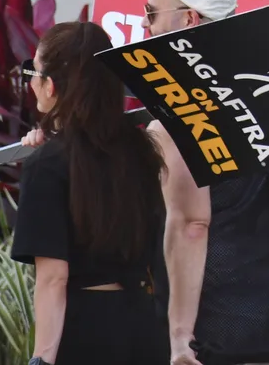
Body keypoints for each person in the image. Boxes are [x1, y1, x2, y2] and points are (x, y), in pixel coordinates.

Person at [22, 0, 269, 365]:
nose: (144, 23)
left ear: (187, 19)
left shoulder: (183, 113)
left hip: (207, 333)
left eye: (152, 12)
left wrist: (179, 338)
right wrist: (63, 144)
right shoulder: (260, 95)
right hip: (266, 319)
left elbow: (190, 225)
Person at [11, 22, 168, 365]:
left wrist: (41, 359)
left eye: (33, 72)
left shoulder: (47, 166)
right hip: (144, 325)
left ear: (50, 86)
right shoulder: (141, 151)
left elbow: (53, 279)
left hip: (84, 331)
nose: (31, 81)